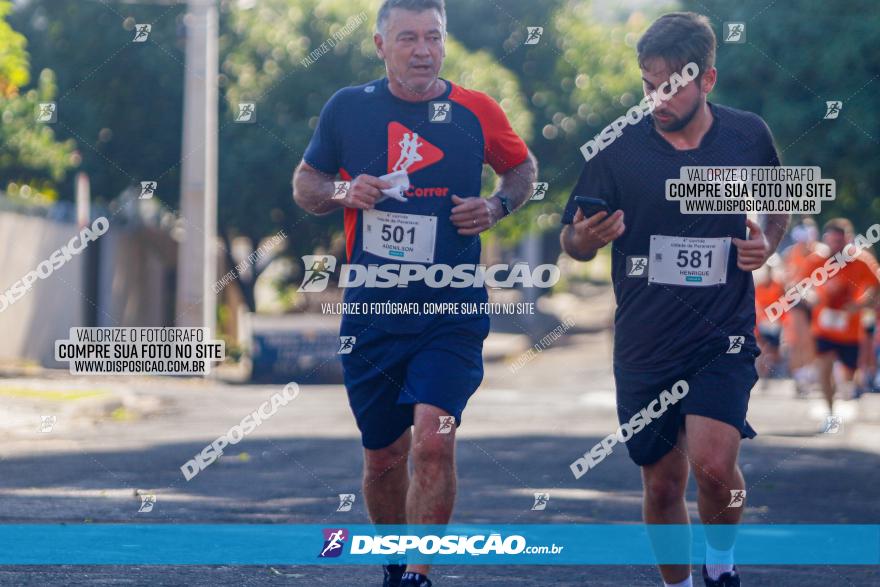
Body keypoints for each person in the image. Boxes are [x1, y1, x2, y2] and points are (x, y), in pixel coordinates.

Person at [292, 1, 537, 585]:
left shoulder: (476, 110)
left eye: (433, 36)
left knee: (433, 441)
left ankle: (421, 576)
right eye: (408, 38)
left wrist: (498, 205)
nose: (423, 49)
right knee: (383, 455)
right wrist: (346, 190)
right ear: (380, 45)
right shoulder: (348, 108)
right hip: (374, 311)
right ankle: (395, 564)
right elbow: (306, 184)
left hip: (449, 310)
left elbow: (523, 169)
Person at [560, 12, 789, 587]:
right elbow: (574, 237)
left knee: (714, 466)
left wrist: (767, 241)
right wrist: (583, 240)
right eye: (647, 83)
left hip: (722, 331)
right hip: (646, 338)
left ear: (707, 80)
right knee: (662, 483)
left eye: (671, 84)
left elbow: (780, 201)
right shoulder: (616, 147)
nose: (656, 97)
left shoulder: (747, 135)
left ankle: (721, 567)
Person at [797, 219, 880, 416]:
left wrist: (861, 304)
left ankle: (847, 386)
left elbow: (876, 287)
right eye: (832, 241)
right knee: (823, 368)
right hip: (824, 328)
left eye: (840, 242)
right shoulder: (816, 262)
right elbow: (801, 288)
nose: (836, 246)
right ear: (826, 240)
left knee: (849, 375)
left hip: (850, 330)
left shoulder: (861, 262)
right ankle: (830, 411)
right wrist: (811, 297)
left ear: (848, 240)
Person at [781, 218, 819, 394]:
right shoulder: (792, 253)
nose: (804, 245)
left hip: (816, 300)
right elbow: (788, 280)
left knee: (810, 340)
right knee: (797, 340)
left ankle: (808, 374)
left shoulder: (820, 253)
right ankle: (799, 376)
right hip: (797, 300)